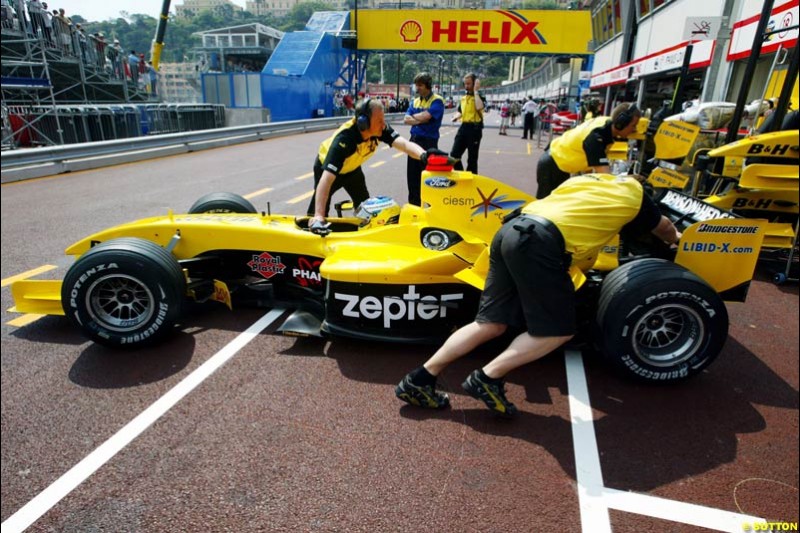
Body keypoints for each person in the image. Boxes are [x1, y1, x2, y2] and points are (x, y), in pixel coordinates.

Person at [396, 174, 680, 417]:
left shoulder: (588, 181)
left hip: (510, 230)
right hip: (539, 242)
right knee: (557, 331)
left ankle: (418, 379)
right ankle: (487, 377)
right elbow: (663, 228)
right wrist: (677, 241)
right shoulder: (635, 194)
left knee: (490, 323)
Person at [306, 98, 428, 235]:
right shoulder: (345, 139)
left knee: (367, 208)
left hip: (353, 169)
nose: (384, 125)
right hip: (327, 169)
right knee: (317, 214)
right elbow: (326, 180)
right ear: (363, 123)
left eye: (383, 120)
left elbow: (404, 144)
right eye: (379, 121)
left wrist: (424, 155)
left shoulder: (381, 130)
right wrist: (318, 215)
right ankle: (313, 234)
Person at [535, 102, 642, 199]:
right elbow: (606, 178)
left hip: (560, 162)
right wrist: (629, 179)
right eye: (633, 125)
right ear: (621, 123)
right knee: (543, 206)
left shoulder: (605, 124)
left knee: (556, 201)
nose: (635, 129)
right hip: (552, 164)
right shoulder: (596, 136)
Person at [404, 72, 445, 206]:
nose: (417, 88)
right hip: (414, 140)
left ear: (427, 85)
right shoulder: (415, 101)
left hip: (428, 142)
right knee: (412, 177)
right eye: (416, 85)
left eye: (420, 85)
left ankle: (432, 207)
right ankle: (414, 206)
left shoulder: (437, 101)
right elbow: (406, 119)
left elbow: (427, 116)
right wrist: (420, 119)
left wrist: (415, 118)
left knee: (429, 177)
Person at [450, 73, 485, 173]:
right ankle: (461, 175)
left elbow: (479, 107)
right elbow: (460, 111)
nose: (466, 86)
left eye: (469, 84)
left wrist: (476, 91)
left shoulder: (479, 97)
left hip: (475, 129)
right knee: (454, 155)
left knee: (472, 159)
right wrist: (456, 117)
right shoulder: (464, 98)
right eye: (465, 84)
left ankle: (472, 181)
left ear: (475, 83)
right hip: (464, 127)